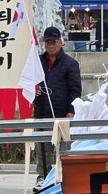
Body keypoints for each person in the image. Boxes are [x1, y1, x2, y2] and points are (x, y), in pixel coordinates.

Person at [33, 27, 82, 185]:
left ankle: (66, 177)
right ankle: (43, 177)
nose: (51, 45)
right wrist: (33, 91)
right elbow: (30, 82)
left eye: (54, 42)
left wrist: (71, 111)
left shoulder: (70, 64)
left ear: (60, 42)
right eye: (48, 42)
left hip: (63, 114)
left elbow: (75, 90)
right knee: (42, 148)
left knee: (65, 148)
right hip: (42, 112)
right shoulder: (38, 62)